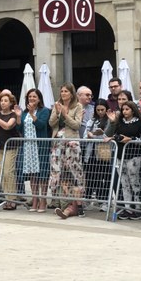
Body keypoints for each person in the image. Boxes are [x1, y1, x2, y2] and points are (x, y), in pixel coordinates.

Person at [48, 82, 85, 219]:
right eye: (62, 91)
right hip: (58, 142)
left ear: (71, 93)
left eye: (66, 91)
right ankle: (62, 203)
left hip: (72, 142)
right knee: (58, 172)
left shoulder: (78, 106)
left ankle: (77, 204)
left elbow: (76, 125)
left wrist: (65, 114)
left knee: (74, 172)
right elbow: (51, 123)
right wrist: (57, 112)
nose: (63, 93)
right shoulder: (57, 104)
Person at [105, 100, 141, 220]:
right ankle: (128, 208)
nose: (124, 111)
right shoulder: (119, 122)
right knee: (124, 183)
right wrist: (112, 136)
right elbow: (112, 134)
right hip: (120, 155)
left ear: (133, 110)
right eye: (123, 109)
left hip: (133, 156)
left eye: (127, 109)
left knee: (134, 182)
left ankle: (136, 209)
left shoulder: (139, 123)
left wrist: (130, 139)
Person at [18, 88, 51, 212]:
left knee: (42, 173)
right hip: (28, 146)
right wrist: (17, 117)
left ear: (39, 99)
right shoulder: (24, 112)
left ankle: (43, 200)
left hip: (40, 145)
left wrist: (32, 113)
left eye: (34, 97)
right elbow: (20, 128)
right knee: (32, 174)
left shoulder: (44, 111)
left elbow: (42, 125)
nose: (32, 98)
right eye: (30, 96)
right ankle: (35, 200)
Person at [0, 92, 20, 209]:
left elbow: (7, 126)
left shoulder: (13, 114)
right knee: (0, 172)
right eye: (1, 100)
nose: (3, 103)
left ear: (10, 103)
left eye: (5, 101)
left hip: (10, 146)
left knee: (8, 171)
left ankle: (12, 199)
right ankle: (7, 198)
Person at [84, 99, 112, 211]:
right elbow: (84, 136)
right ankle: (87, 199)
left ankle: (104, 201)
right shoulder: (92, 120)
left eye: (102, 110)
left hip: (104, 151)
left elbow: (108, 136)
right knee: (90, 177)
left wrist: (94, 136)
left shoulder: (110, 120)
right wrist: (89, 135)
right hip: (91, 152)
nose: (100, 112)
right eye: (98, 110)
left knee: (104, 177)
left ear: (106, 109)